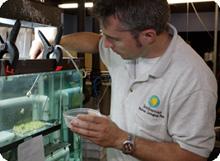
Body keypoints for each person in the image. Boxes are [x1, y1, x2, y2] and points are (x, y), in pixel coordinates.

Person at [29, 0, 218, 161]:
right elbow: (95, 42)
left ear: (148, 36)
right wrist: (54, 39)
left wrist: (119, 139)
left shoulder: (193, 81)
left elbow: (194, 155)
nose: (107, 45)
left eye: (113, 39)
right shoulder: (124, 48)